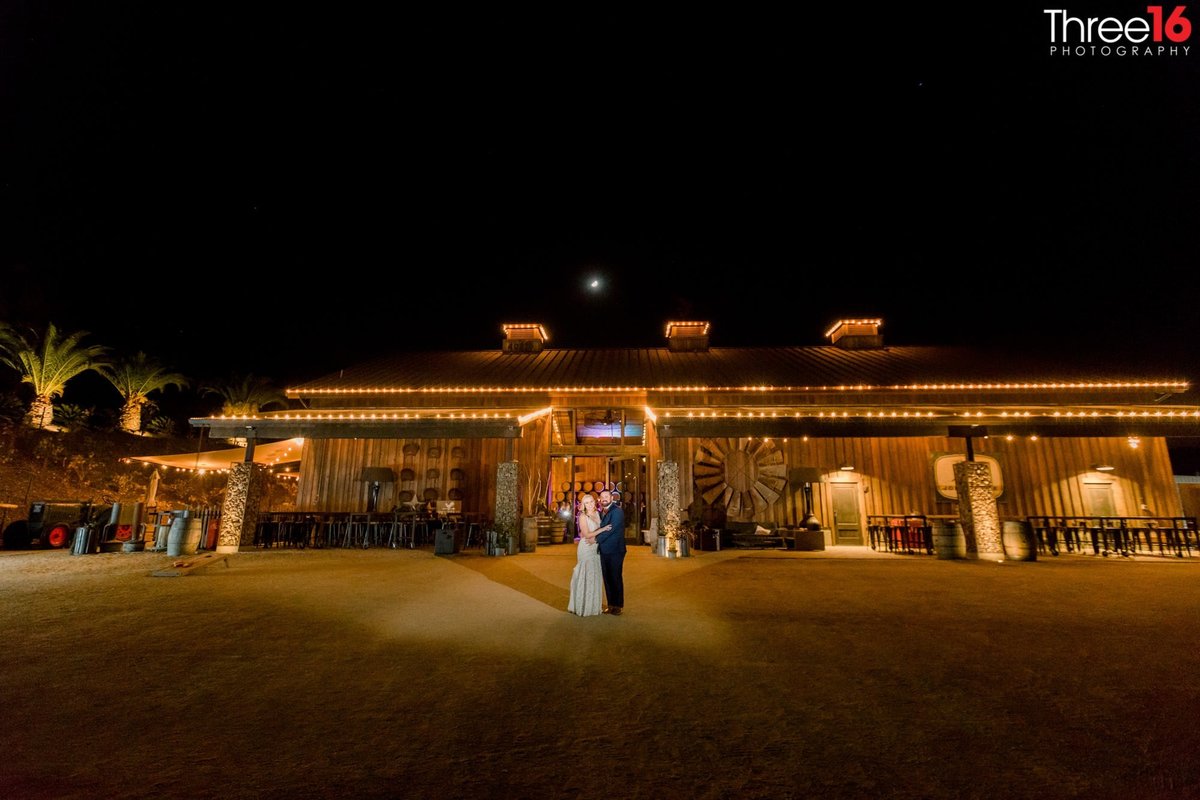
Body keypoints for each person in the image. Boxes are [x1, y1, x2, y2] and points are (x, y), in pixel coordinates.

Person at [567, 494, 608, 616]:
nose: (590, 504)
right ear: (583, 505)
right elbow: (586, 534)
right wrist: (603, 529)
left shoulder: (598, 514)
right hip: (586, 548)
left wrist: (598, 538)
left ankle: (593, 606)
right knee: (585, 574)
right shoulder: (582, 516)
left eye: (591, 501)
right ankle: (582, 606)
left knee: (595, 574)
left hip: (596, 547)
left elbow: (594, 536)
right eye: (587, 503)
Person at [596, 489, 626, 615]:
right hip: (604, 550)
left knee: (615, 576)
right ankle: (610, 605)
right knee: (607, 578)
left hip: (615, 550)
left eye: (606, 496)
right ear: (600, 499)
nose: (604, 498)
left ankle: (618, 606)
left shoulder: (617, 511)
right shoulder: (602, 512)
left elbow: (611, 529)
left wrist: (595, 539)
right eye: (602, 496)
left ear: (611, 498)